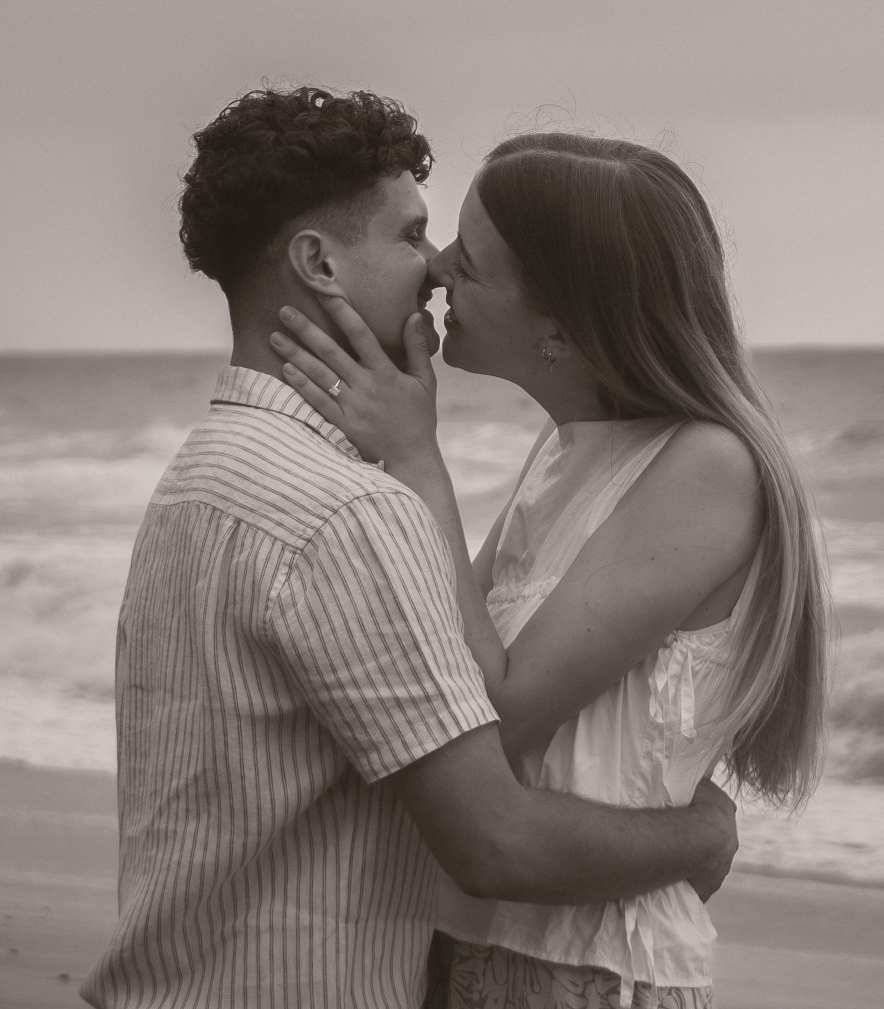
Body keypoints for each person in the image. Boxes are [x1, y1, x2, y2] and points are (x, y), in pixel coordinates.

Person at [80, 90, 739, 1009]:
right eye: (412, 237)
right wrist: (703, 840)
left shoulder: (204, 475)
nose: (435, 270)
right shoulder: (346, 512)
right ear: (316, 261)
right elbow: (493, 833)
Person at [270, 132, 829, 1008]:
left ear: (565, 322)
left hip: (587, 965)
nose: (437, 270)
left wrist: (420, 459)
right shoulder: (563, 454)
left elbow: (492, 715)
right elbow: (454, 660)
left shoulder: (706, 466)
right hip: (463, 935)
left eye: (474, 260)